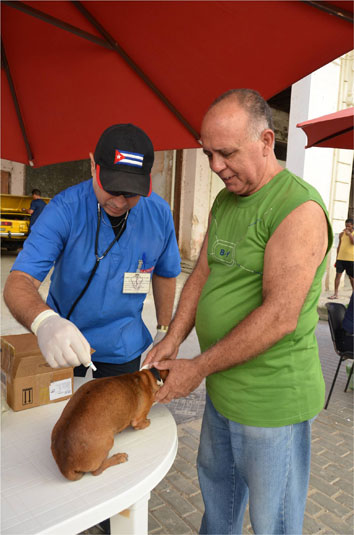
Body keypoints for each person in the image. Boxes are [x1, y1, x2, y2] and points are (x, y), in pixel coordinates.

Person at [143, 89, 332, 535]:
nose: (214, 166)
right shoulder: (226, 199)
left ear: (266, 141)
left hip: (271, 403)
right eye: (207, 153)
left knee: (274, 523)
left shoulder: (297, 208)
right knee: (219, 507)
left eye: (226, 153)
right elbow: (202, 274)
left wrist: (197, 368)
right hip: (223, 392)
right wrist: (172, 335)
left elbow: (280, 316)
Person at [4, 123, 181, 379]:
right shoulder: (63, 210)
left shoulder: (159, 213)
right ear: (92, 165)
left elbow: (165, 272)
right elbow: (18, 281)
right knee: (61, 417)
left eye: (130, 192)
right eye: (111, 187)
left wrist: (164, 329)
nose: (119, 202)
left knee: (114, 416)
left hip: (123, 345)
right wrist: (44, 322)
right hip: (64, 340)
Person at [329, 218, 354, 299]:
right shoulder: (341, 234)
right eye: (346, 226)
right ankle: (335, 294)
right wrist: (337, 258)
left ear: (352, 226)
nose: (347, 227)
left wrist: (349, 234)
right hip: (341, 259)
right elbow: (339, 246)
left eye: (349, 226)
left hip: (351, 259)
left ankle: (353, 294)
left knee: (351, 278)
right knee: (337, 276)